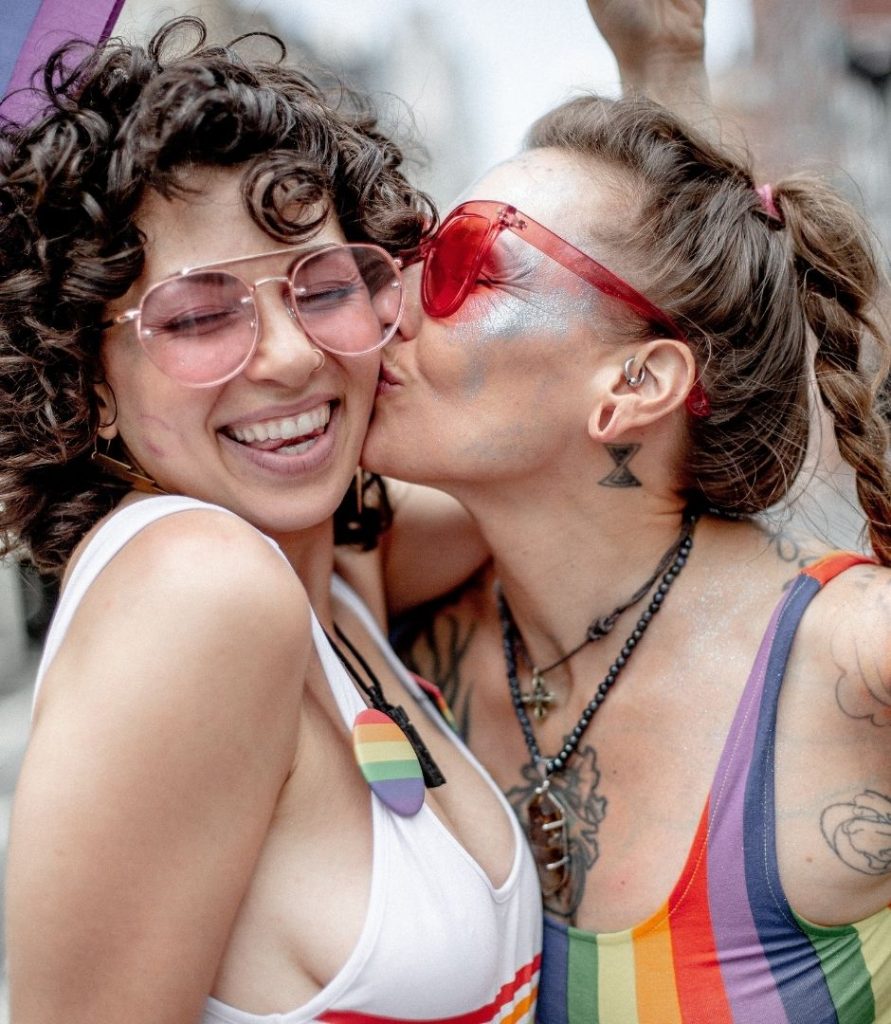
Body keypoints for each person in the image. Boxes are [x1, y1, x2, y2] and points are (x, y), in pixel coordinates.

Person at [0, 19, 542, 1023]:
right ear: (92, 384)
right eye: (200, 316)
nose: (291, 355)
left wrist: (664, 70)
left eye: (326, 288)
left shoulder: (331, 566)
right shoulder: (202, 587)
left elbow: (532, 482)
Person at [363, 51, 891, 1024]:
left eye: (460, 262)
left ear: (637, 384)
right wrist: (661, 70)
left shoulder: (851, 657)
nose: (384, 301)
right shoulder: (387, 603)